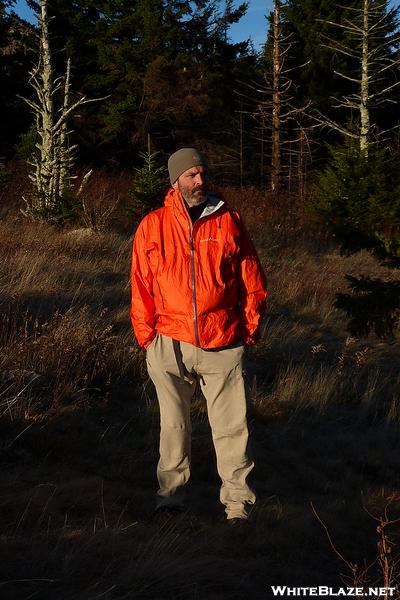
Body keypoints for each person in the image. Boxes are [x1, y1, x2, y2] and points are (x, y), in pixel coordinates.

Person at [130, 147, 267, 526]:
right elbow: (140, 285)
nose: (200, 181)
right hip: (168, 342)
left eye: (204, 173)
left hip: (222, 341)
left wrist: (247, 331)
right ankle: (170, 501)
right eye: (191, 175)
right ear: (175, 181)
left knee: (232, 429)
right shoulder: (152, 225)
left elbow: (251, 280)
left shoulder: (229, 221)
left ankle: (238, 507)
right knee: (173, 427)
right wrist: (147, 339)